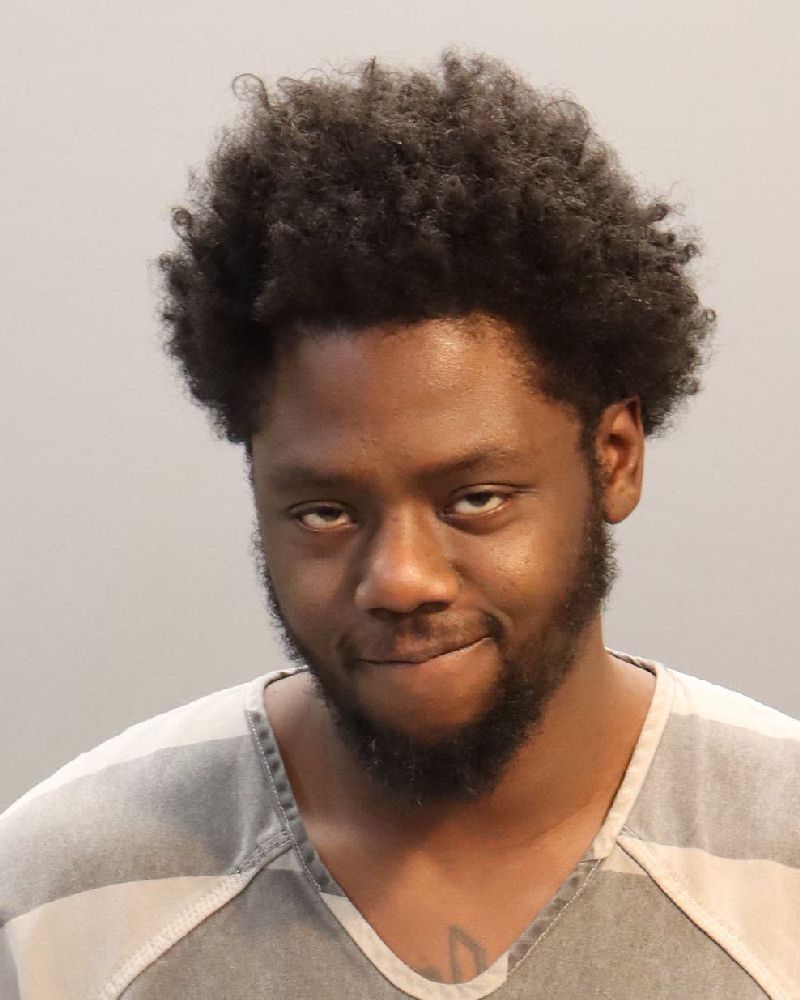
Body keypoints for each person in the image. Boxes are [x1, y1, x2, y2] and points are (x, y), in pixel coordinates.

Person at [1, 51, 797, 1000]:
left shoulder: (780, 860)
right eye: (326, 512)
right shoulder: (63, 899)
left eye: (476, 499)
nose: (401, 579)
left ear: (615, 457)